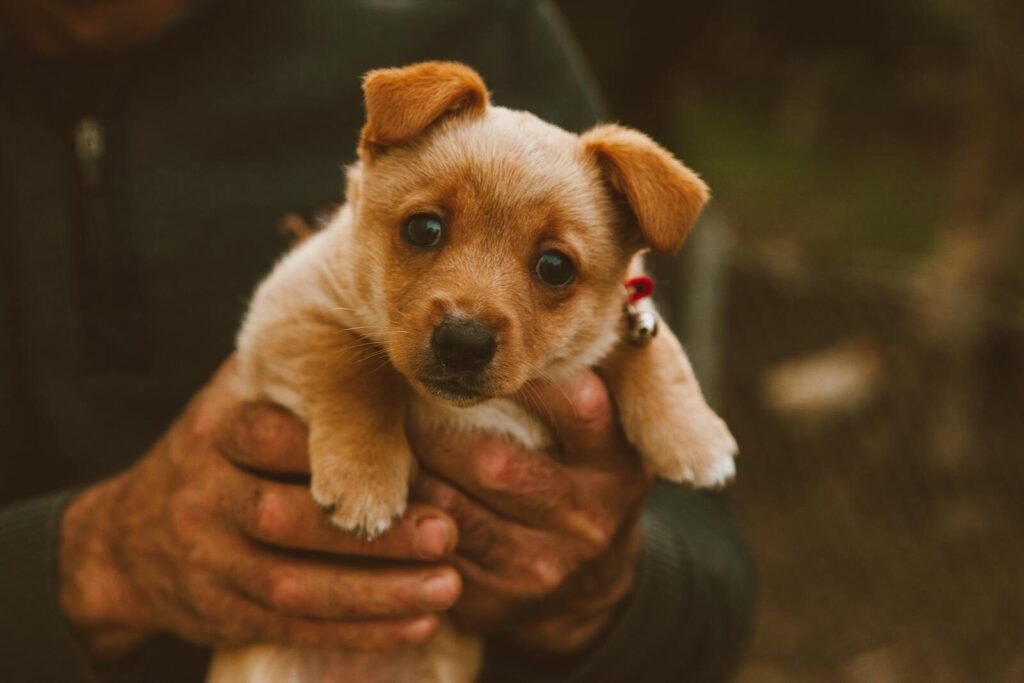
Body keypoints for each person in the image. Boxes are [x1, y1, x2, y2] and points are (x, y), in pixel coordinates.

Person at [0, 0, 755, 681]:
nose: (468, 316)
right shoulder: (399, 143)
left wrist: (607, 587)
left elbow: (709, 576)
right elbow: (291, 319)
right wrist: (86, 564)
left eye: (552, 268)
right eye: (424, 230)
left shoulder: (473, 19)